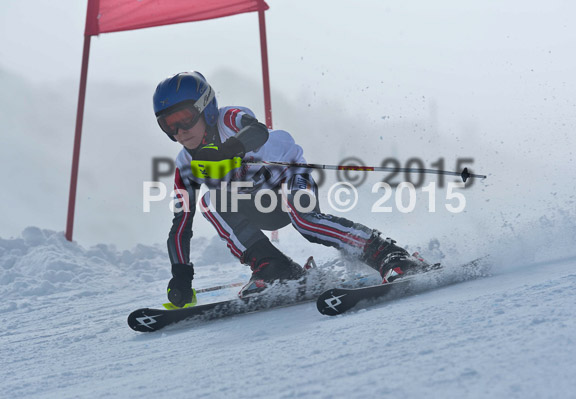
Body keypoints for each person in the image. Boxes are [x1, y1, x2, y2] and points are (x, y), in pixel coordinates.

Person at [153, 71, 431, 307]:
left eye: (185, 118)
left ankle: (390, 255)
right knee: (208, 202)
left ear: (206, 108)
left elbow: (256, 131)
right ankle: (274, 267)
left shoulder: (228, 119)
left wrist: (229, 151)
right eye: (169, 125)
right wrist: (181, 275)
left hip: (288, 177)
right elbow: (181, 224)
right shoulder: (186, 163)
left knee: (305, 221)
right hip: (256, 205)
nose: (180, 131)